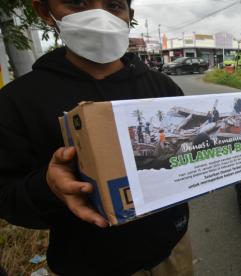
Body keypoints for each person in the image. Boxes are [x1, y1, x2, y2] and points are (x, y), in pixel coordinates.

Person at [0, 1, 192, 275]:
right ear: (45, 13)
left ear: (129, 16)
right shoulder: (16, 101)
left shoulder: (163, 87)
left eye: (114, 5)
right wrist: (47, 187)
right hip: (87, 265)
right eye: (77, 3)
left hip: (172, 249)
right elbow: (6, 195)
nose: (99, 17)